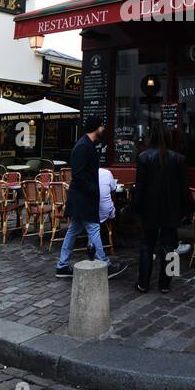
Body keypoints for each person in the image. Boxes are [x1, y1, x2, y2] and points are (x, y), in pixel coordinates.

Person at [54, 118, 126, 279]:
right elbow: (78, 175)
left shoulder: (87, 145)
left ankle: (62, 266)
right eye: (102, 125)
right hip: (83, 198)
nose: (103, 128)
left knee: (73, 231)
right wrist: (93, 189)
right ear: (96, 127)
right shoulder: (83, 147)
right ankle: (105, 265)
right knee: (93, 228)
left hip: (82, 198)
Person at [132, 125, 193, 293]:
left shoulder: (144, 157)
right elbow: (184, 188)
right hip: (171, 209)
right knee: (170, 247)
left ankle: (143, 283)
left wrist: (135, 208)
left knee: (146, 246)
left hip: (149, 208)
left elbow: (140, 187)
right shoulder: (178, 158)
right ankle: (166, 283)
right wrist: (187, 209)